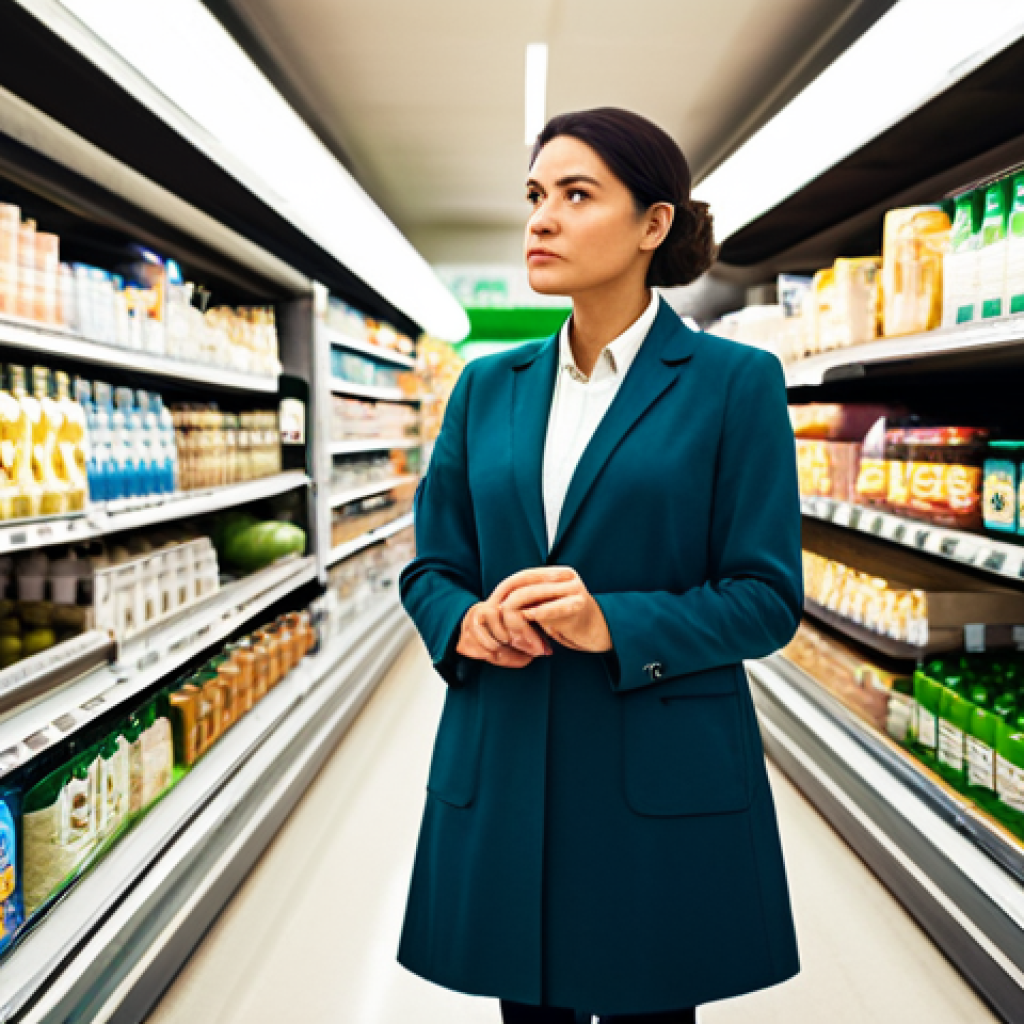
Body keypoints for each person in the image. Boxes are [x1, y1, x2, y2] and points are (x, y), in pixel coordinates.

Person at [397, 107, 803, 1023]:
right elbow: (431, 568)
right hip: (508, 760)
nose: (541, 219)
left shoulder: (734, 385)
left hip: (651, 770)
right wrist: (464, 621)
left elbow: (767, 597)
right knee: (525, 1006)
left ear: (653, 225)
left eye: (577, 195)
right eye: (536, 195)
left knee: (648, 1002)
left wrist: (609, 621)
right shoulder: (483, 387)